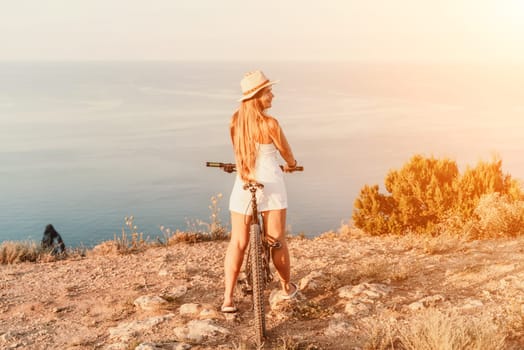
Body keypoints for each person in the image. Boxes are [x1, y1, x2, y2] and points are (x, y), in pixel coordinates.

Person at [222, 70, 300, 313]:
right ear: (258, 96)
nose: (273, 96)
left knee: (238, 241)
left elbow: (240, 152)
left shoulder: (235, 122)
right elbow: (288, 155)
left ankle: (228, 300)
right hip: (273, 186)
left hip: (244, 184)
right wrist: (291, 165)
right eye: (269, 92)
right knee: (277, 241)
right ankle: (287, 288)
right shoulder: (271, 124)